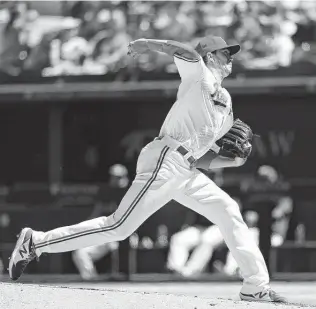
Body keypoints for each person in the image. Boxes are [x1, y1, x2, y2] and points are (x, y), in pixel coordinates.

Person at [9, 35, 286, 303]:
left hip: (185, 167)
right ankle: (35, 242)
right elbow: (187, 52)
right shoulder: (200, 77)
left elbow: (199, 156)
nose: (231, 58)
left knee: (228, 211)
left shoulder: (225, 103)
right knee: (118, 226)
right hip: (165, 158)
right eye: (226, 53)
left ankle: (255, 287)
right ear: (211, 56)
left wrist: (232, 161)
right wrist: (149, 44)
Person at [72, 164, 129, 280]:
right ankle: (92, 280)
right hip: (104, 234)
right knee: (80, 253)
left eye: (118, 177)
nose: (115, 179)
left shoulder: (130, 193)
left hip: (122, 236)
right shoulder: (105, 193)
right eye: (113, 176)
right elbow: (96, 214)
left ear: (125, 177)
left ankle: (120, 278)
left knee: (115, 246)